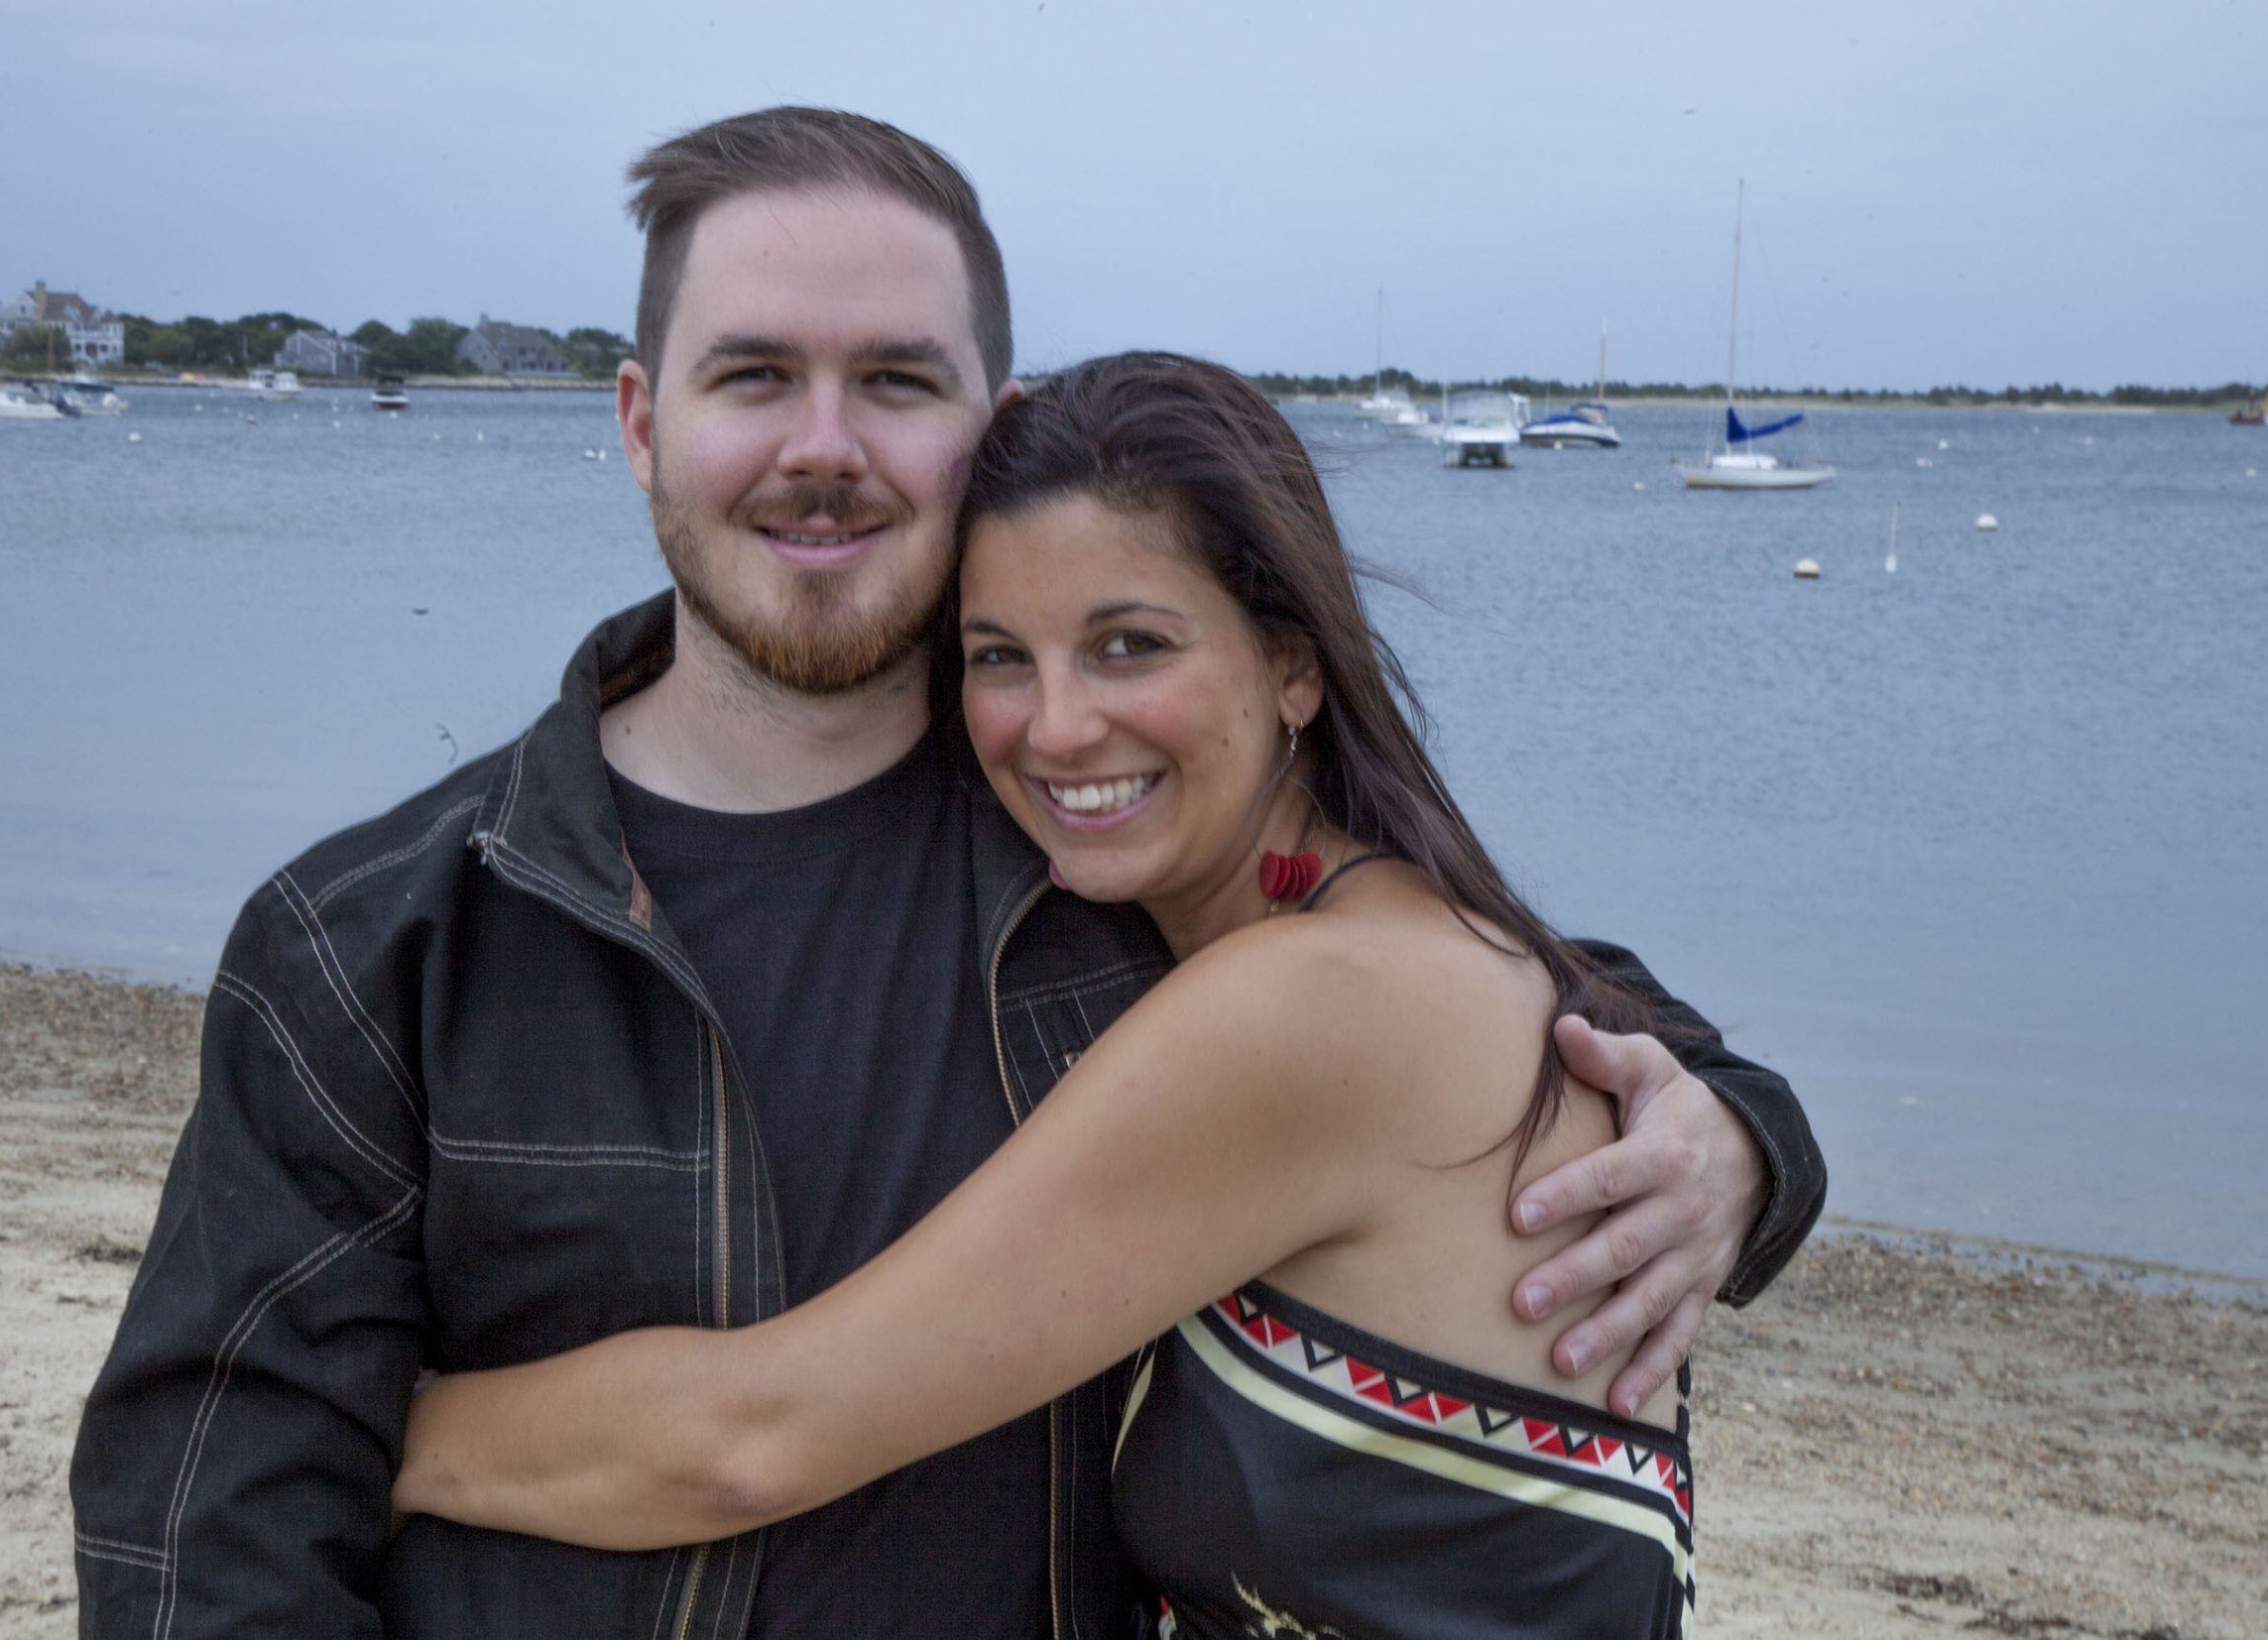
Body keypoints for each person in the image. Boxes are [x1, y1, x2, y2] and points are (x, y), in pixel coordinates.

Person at [69, 108, 1823, 1639]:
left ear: (982, 428)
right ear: (637, 421)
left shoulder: (1102, 848)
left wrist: (1739, 1137)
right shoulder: (383, 938)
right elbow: (208, 1529)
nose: (823, 443)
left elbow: (1503, 994)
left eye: (896, 380)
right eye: (753, 374)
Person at [391, 351, 1725, 1634]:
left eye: (1130, 645)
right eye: (998, 656)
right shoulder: (1418, 945)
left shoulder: (1309, 1005)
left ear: (1295, 666)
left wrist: (366, 1418)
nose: (1058, 725)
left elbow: (753, 1439)